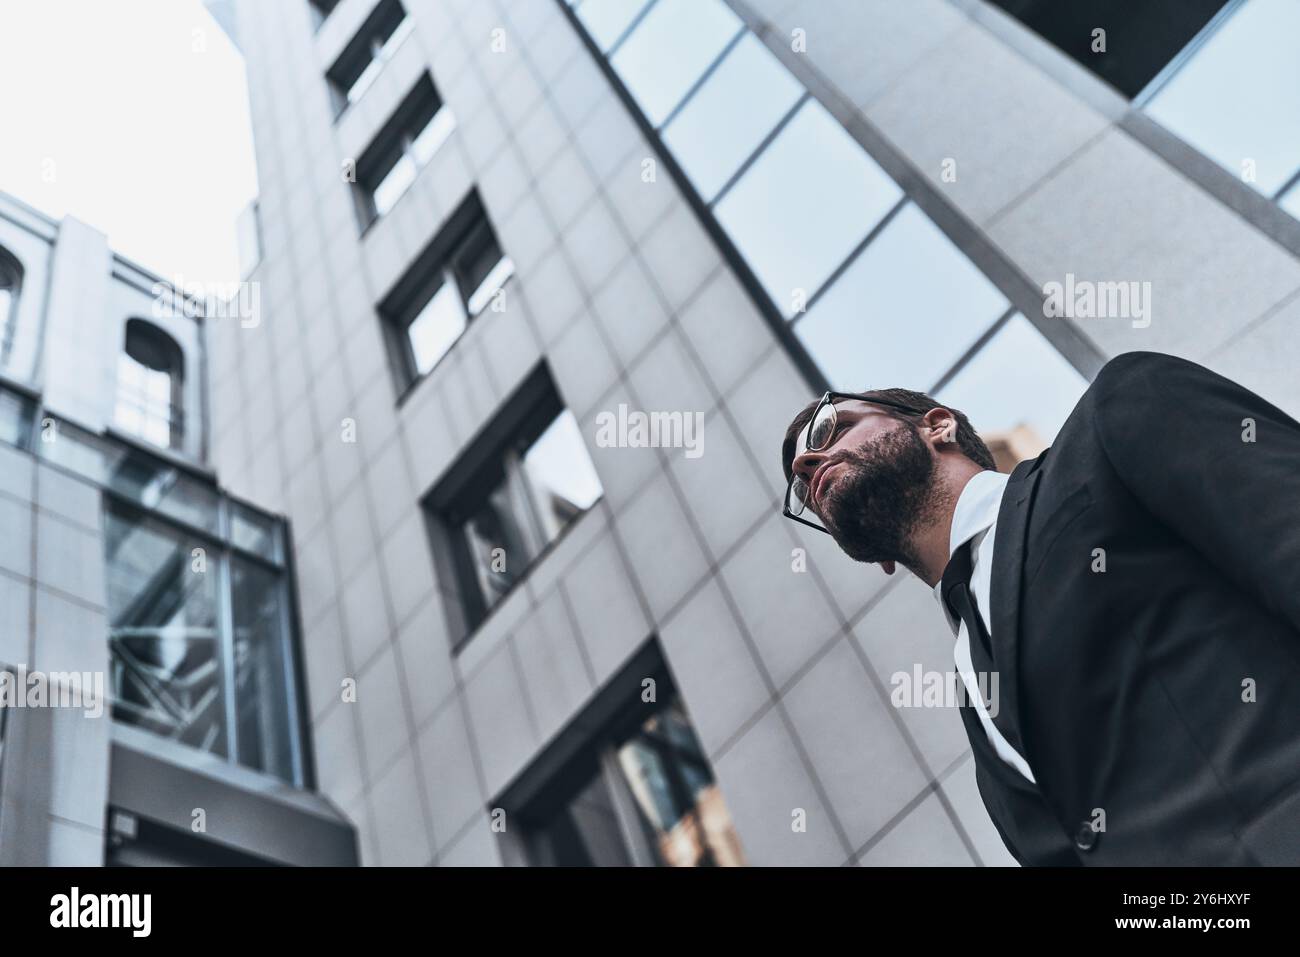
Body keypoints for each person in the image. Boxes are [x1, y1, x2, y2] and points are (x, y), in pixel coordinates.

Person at [780, 350, 1300, 865]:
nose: (807, 466)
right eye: (802, 491)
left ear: (938, 426)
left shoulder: (1110, 426)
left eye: (831, 427)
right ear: (878, 561)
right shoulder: (976, 709)